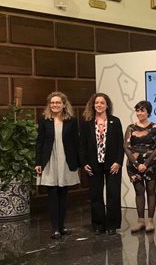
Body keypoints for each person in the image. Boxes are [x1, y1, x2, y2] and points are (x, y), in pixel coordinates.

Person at [35, 92, 80, 239]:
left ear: (63, 104)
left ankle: (61, 226)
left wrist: (78, 162)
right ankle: (54, 228)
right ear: (49, 105)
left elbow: (76, 142)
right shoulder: (44, 120)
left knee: (63, 195)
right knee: (52, 194)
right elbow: (39, 142)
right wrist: (38, 162)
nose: (55, 105)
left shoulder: (71, 120)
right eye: (52, 103)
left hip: (66, 160)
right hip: (49, 160)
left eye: (58, 102)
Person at [79, 92, 124, 235]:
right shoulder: (86, 122)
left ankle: (112, 225)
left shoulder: (115, 121)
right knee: (96, 195)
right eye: (97, 103)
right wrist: (84, 163)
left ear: (107, 105)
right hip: (93, 165)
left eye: (102, 103)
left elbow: (120, 144)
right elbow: (82, 145)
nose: (99, 105)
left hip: (112, 165)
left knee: (113, 195)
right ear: (93, 105)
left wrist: (118, 162)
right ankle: (98, 225)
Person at [124, 101, 156, 233]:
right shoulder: (131, 127)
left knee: (151, 191)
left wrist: (145, 164)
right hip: (134, 165)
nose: (140, 113)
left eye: (142, 110)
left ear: (148, 112)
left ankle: (150, 221)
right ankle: (140, 221)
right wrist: (136, 164)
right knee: (139, 192)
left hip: (151, 164)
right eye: (138, 111)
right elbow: (126, 147)